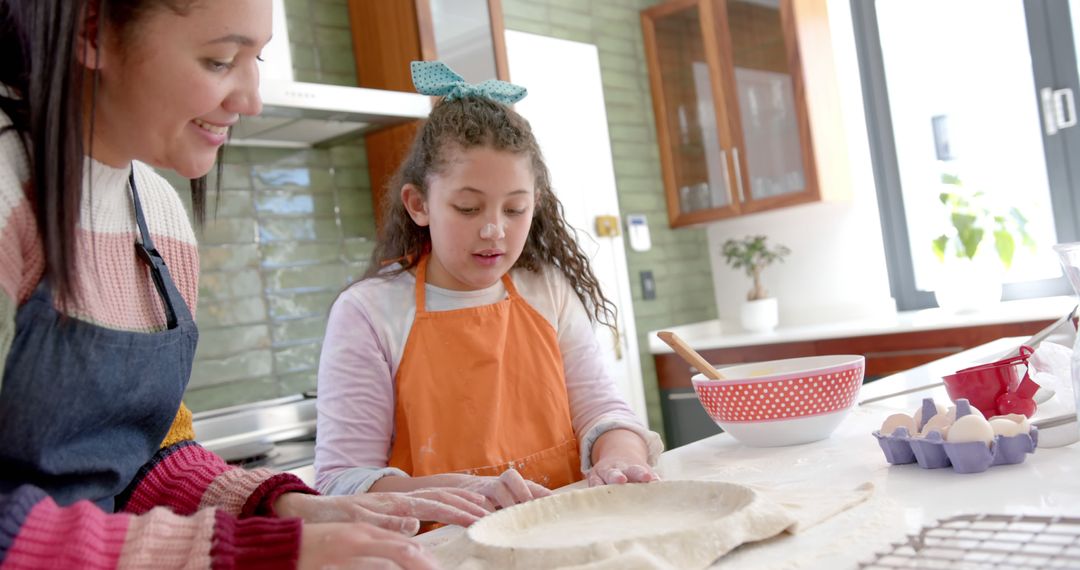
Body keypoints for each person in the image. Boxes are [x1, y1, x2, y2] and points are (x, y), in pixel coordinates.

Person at [0, 2, 490, 568]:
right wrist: (237, 549)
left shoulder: (157, 215)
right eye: (218, 60)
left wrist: (275, 506)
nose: (251, 99)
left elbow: (144, 460)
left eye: (256, 58)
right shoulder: (11, 193)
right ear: (93, 32)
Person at [315, 61, 664, 510]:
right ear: (418, 204)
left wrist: (620, 458)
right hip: (443, 549)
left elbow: (602, 411)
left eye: (515, 210)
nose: (494, 231)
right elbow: (343, 481)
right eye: (467, 208)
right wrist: (471, 491)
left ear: (535, 204)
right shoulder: (369, 311)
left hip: (567, 530)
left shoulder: (548, 290)